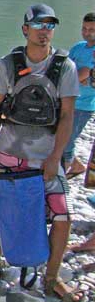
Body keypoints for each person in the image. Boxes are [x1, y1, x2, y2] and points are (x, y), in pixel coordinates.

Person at [0, 4, 84, 302]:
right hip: (9, 152)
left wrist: (55, 159)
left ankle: (52, 277)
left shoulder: (65, 67)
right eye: (38, 25)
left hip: (46, 155)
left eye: (50, 25)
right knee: (1, 212)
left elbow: (66, 117)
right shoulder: (7, 65)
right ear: (25, 29)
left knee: (62, 216)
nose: (44, 31)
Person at [62, 12, 95, 180]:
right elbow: (67, 69)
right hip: (67, 100)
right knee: (59, 136)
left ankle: (61, 176)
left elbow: (84, 73)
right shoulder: (78, 47)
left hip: (84, 105)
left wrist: (84, 78)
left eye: (91, 30)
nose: (87, 32)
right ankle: (76, 166)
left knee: (67, 139)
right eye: (84, 28)